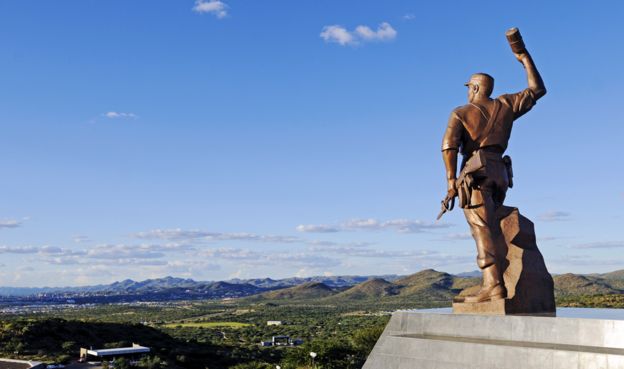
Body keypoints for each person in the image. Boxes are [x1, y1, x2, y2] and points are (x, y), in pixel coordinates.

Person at [441, 48, 547, 303]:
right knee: (495, 228)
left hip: (475, 173)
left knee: (481, 228)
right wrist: (524, 58)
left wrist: (451, 182)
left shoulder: (461, 112)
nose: (468, 91)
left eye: (470, 87)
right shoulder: (505, 105)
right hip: (500, 172)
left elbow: (448, 147)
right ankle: (499, 279)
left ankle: (493, 285)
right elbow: (537, 89)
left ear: (476, 88)